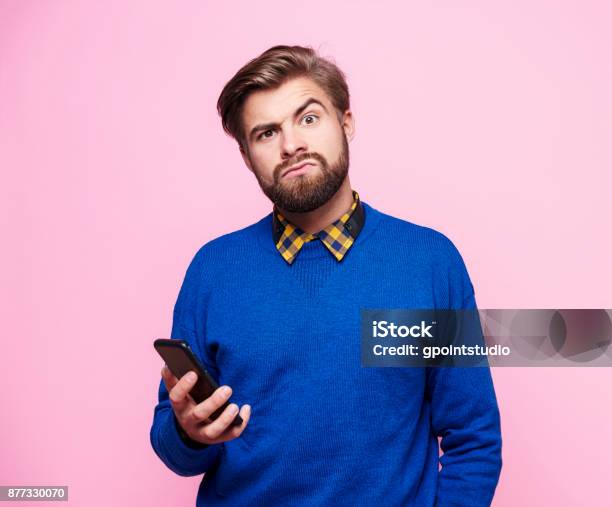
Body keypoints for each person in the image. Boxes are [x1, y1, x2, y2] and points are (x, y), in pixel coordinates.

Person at [149, 44, 502, 506]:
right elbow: (175, 448)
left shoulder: (428, 262)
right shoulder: (213, 270)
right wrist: (190, 432)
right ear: (247, 156)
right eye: (266, 132)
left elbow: (472, 437)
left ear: (346, 123)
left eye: (308, 118)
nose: (291, 144)